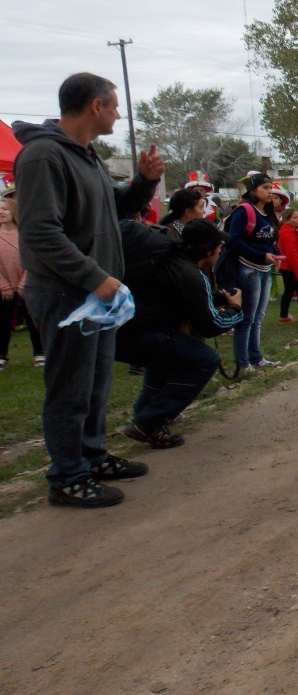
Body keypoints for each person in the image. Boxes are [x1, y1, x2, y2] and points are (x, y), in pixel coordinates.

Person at [13, 72, 163, 507]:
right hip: (66, 295)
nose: (118, 113)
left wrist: (145, 183)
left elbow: (115, 207)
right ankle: (67, 476)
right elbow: (40, 233)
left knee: (95, 383)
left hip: (95, 295)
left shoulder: (87, 156)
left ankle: (92, 456)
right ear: (95, 106)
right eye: (114, 105)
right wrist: (94, 277)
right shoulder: (44, 156)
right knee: (69, 388)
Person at [116, 217, 242, 448]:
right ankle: (148, 421)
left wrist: (212, 300)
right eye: (218, 245)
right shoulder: (190, 273)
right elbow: (210, 325)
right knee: (205, 360)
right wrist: (236, 309)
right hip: (142, 332)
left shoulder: (169, 260)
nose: (221, 249)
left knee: (165, 360)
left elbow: (182, 300)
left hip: (120, 331)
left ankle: (145, 417)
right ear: (207, 249)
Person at [223, 172, 281, 373]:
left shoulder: (268, 213)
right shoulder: (244, 211)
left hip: (265, 269)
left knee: (259, 317)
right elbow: (234, 240)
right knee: (247, 317)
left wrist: (276, 254)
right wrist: (260, 255)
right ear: (253, 190)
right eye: (265, 188)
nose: (269, 191)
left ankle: (257, 357)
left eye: (270, 187)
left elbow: (269, 241)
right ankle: (243, 362)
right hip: (248, 269)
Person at [0, 195, 44, 370]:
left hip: (28, 285)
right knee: (2, 322)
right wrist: (4, 286)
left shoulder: (25, 235)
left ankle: (40, 352)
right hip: (4, 289)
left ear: (13, 210)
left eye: (4, 208)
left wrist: (25, 283)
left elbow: (33, 260)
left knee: (34, 321)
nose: (1, 212)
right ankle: (2, 354)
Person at [277, 207, 298, 324]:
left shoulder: (293, 230)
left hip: (288, 266)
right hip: (290, 266)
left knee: (289, 290)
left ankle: (283, 316)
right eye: (295, 218)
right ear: (287, 220)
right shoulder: (287, 233)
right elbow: (292, 255)